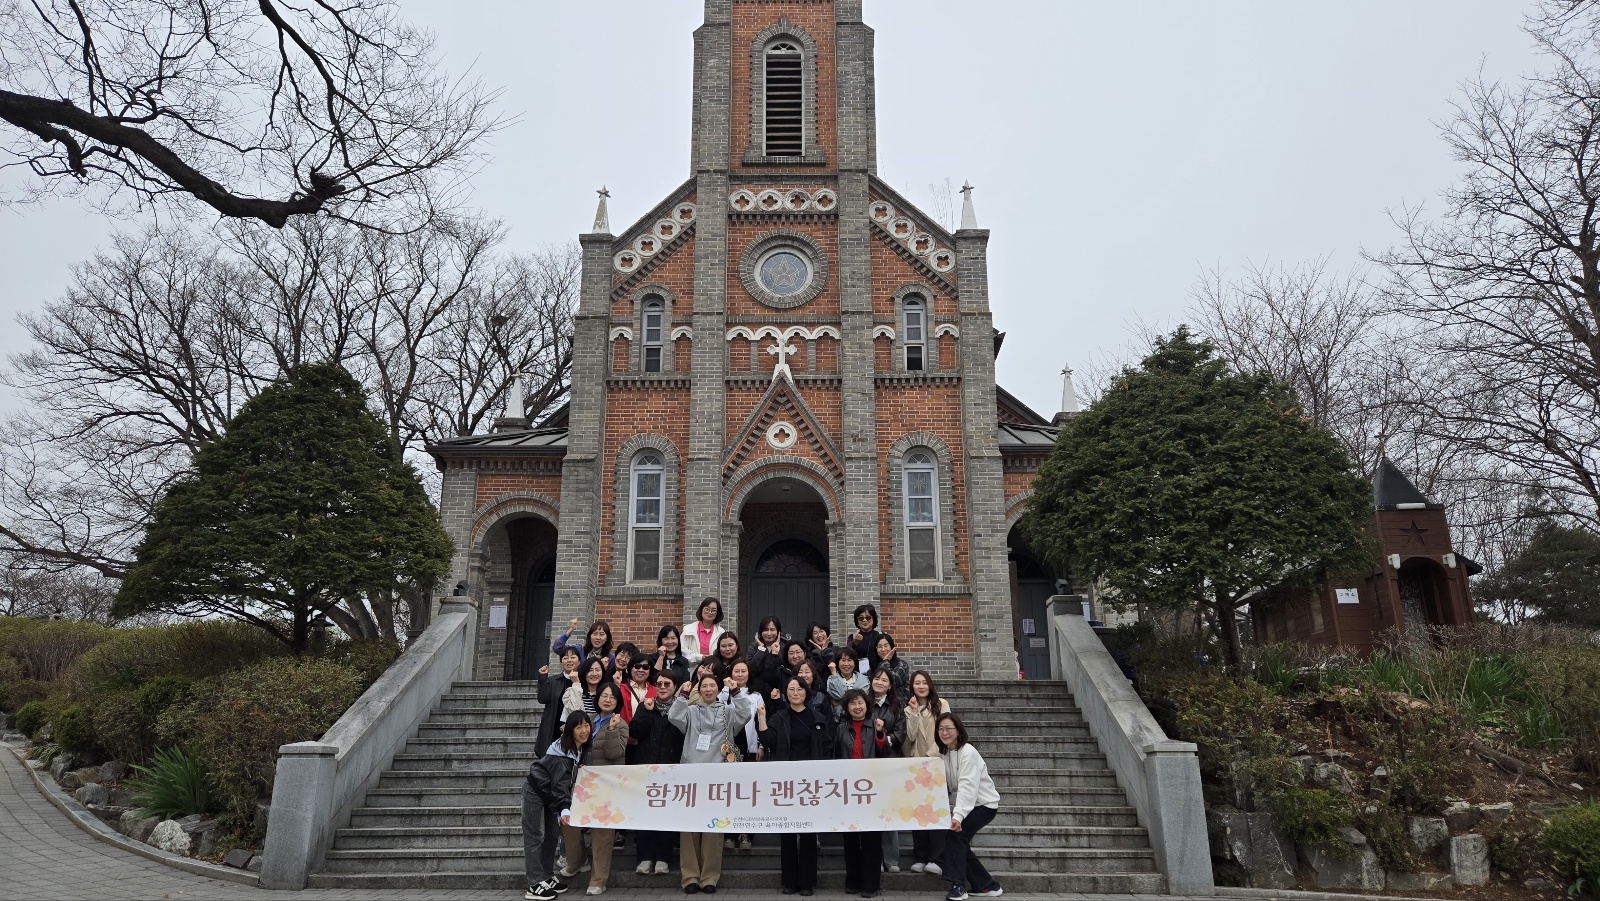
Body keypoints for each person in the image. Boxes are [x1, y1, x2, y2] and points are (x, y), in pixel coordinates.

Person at [668, 672, 755, 894]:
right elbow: (673, 717)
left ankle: (709, 877)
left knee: (714, 828)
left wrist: (735, 691)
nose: (708, 689)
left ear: (718, 690)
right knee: (688, 829)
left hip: (718, 776)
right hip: (691, 776)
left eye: (712, 686)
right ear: (699, 690)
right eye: (703, 686)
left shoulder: (728, 711)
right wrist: (683, 694)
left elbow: (746, 713)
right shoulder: (691, 711)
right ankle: (690, 877)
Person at [756, 676, 832, 896]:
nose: (795, 692)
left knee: (808, 833)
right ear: (786, 694)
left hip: (811, 782)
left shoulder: (817, 717)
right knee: (787, 833)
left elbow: (827, 746)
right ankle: (789, 881)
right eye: (791, 689)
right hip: (785, 782)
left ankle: (807, 882)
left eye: (799, 689)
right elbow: (768, 740)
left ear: (806, 692)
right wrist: (762, 716)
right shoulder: (779, 716)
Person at [522, 710, 590, 901]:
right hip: (535, 791)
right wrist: (565, 809)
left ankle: (546, 876)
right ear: (570, 730)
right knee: (535, 836)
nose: (584, 731)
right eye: (578, 727)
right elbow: (560, 784)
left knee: (551, 836)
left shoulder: (578, 748)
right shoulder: (563, 753)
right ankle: (534, 883)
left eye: (586, 726)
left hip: (549, 796)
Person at [569, 683, 627, 895]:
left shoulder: (621, 724)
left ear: (618, 701)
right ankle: (578, 859)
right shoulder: (589, 720)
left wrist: (611, 729)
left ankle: (598, 879)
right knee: (569, 823)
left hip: (606, 786)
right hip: (582, 783)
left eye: (612, 697)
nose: (607, 699)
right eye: (604, 695)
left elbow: (614, 754)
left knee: (603, 835)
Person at [938, 713, 1002, 901]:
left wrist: (957, 817)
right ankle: (987, 885)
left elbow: (967, 787)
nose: (945, 732)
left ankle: (958, 886)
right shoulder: (947, 752)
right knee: (960, 843)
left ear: (958, 730)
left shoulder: (968, 752)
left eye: (949, 728)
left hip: (984, 805)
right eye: (941, 729)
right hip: (972, 805)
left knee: (955, 836)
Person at [629, 669, 684, 877]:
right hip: (646, 770)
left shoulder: (681, 708)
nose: (662, 688)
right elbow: (636, 731)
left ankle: (663, 858)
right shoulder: (646, 706)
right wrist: (646, 712)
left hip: (671, 770)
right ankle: (644, 858)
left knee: (666, 816)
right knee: (645, 815)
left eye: (667, 684)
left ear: (674, 686)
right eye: (659, 684)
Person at [835, 689, 885, 898]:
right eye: (853, 704)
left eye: (861, 703)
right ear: (847, 708)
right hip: (848, 790)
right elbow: (835, 756)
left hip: (872, 790)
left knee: (872, 838)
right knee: (851, 838)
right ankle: (852, 880)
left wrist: (881, 734)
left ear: (867, 705)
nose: (857, 707)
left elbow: (885, 754)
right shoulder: (840, 729)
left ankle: (870, 885)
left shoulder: (876, 725)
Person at [902, 670, 951, 876]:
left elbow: (945, 731)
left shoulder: (941, 704)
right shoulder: (908, 709)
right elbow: (911, 736)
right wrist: (913, 713)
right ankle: (920, 856)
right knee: (918, 812)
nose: (921, 686)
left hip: (937, 763)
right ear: (911, 687)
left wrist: (930, 757)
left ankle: (937, 859)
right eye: (916, 683)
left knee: (937, 811)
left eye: (924, 683)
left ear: (930, 685)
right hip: (916, 767)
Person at [866, 668, 907, 874]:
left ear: (890, 685)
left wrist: (884, 739)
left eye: (884, 680)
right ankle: (875, 858)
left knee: (889, 811)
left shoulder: (897, 706)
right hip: (868, 763)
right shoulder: (864, 703)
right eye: (876, 679)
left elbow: (901, 733)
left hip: (890, 763)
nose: (879, 682)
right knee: (872, 811)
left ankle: (891, 859)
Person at [718, 658, 761, 850]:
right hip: (727, 752)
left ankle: (746, 833)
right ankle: (729, 834)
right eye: (737, 671)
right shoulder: (722, 694)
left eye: (744, 671)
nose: (740, 675)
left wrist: (759, 745)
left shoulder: (756, 696)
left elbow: (760, 722)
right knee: (729, 793)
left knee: (747, 793)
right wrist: (727, 690)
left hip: (749, 749)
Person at [536, 646, 583, 753]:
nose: (569, 660)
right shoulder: (553, 680)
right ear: (561, 662)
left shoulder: (584, 681)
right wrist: (543, 678)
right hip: (554, 729)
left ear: (579, 661)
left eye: (573, 657)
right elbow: (543, 699)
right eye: (565, 658)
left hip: (576, 730)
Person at [681, 597, 727, 665]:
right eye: (707, 609)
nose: (710, 612)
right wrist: (700, 657)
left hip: (713, 671)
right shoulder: (688, 630)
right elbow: (682, 651)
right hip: (692, 671)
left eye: (713, 610)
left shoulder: (721, 632)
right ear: (701, 609)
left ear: (717, 613)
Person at [564, 656, 609, 720]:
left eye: (597, 670)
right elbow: (573, 713)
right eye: (590, 670)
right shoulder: (574, 691)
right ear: (584, 672)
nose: (594, 674)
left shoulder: (606, 692)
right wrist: (576, 684)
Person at [826, 647, 869, 711]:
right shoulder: (831, 679)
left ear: (854, 663)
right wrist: (834, 674)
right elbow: (839, 695)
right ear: (838, 663)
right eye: (843, 660)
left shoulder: (864, 679)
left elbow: (859, 698)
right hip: (839, 717)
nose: (846, 664)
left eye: (849, 660)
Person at [848, 604, 886, 673]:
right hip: (857, 674)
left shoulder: (880, 636)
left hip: (877, 673)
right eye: (861, 618)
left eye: (868, 618)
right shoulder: (852, 637)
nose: (864, 620)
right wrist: (855, 643)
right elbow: (849, 656)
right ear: (857, 622)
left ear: (873, 619)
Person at [619, 657, 657, 725]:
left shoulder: (656, 691)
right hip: (625, 733)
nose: (641, 670)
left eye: (645, 667)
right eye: (637, 666)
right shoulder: (620, 688)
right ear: (630, 669)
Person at [874, 635, 911, 702]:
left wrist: (886, 661)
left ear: (892, 647)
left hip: (898, 704)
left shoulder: (902, 664)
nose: (883, 649)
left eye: (886, 646)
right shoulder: (873, 666)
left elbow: (893, 680)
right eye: (879, 647)